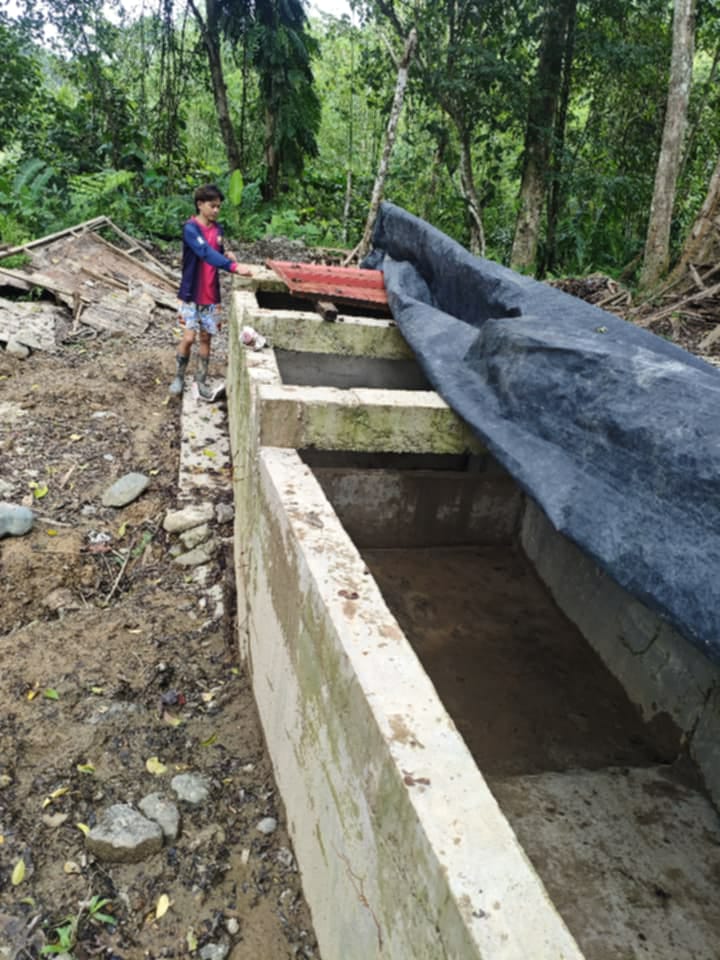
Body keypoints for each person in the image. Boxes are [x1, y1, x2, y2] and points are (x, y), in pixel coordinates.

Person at [169, 183, 251, 398]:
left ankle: (201, 380)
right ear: (200, 205)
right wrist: (233, 267)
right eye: (212, 206)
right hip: (191, 293)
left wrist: (228, 256)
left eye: (218, 207)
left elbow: (218, 251)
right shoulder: (190, 229)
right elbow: (204, 252)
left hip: (211, 294)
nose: (216, 210)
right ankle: (179, 376)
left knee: (206, 338)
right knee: (188, 338)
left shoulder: (218, 230)